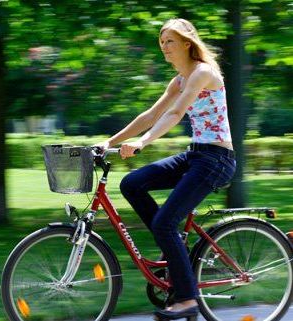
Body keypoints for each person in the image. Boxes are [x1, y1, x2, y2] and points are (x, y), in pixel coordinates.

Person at [98, 18, 236, 320]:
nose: (164, 48)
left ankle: (187, 299)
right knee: (132, 184)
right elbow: (151, 114)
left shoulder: (202, 73)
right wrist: (110, 142)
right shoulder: (179, 80)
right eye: (161, 43)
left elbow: (175, 112)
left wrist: (143, 143)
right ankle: (172, 251)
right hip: (197, 155)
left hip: (217, 160)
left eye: (170, 41)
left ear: (188, 43)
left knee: (164, 223)